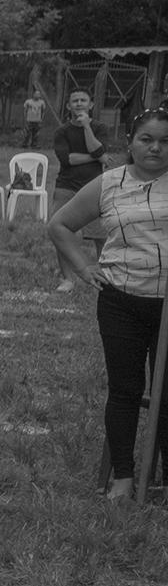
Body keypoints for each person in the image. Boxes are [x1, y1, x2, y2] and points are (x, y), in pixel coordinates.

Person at [50, 109, 168, 499]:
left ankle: (163, 479)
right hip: (122, 301)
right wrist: (84, 268)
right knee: (125, 390)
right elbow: (60, 225)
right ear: (130, 142)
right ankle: (122, 476)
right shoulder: (110, 183)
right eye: (146, 139)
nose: (155, 147)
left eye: (165, 141)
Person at [54, 90, 105, 198]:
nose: (79, 103)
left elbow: (97, 151)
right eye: (75, 101)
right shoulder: (61, 131)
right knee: (59, 215)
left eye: (83, 100)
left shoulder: (100, 128)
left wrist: (86, 126)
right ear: (68, 106)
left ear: (91, 105)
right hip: (66, 186)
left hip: (93, 186)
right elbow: (67, 160)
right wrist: (97, 158)